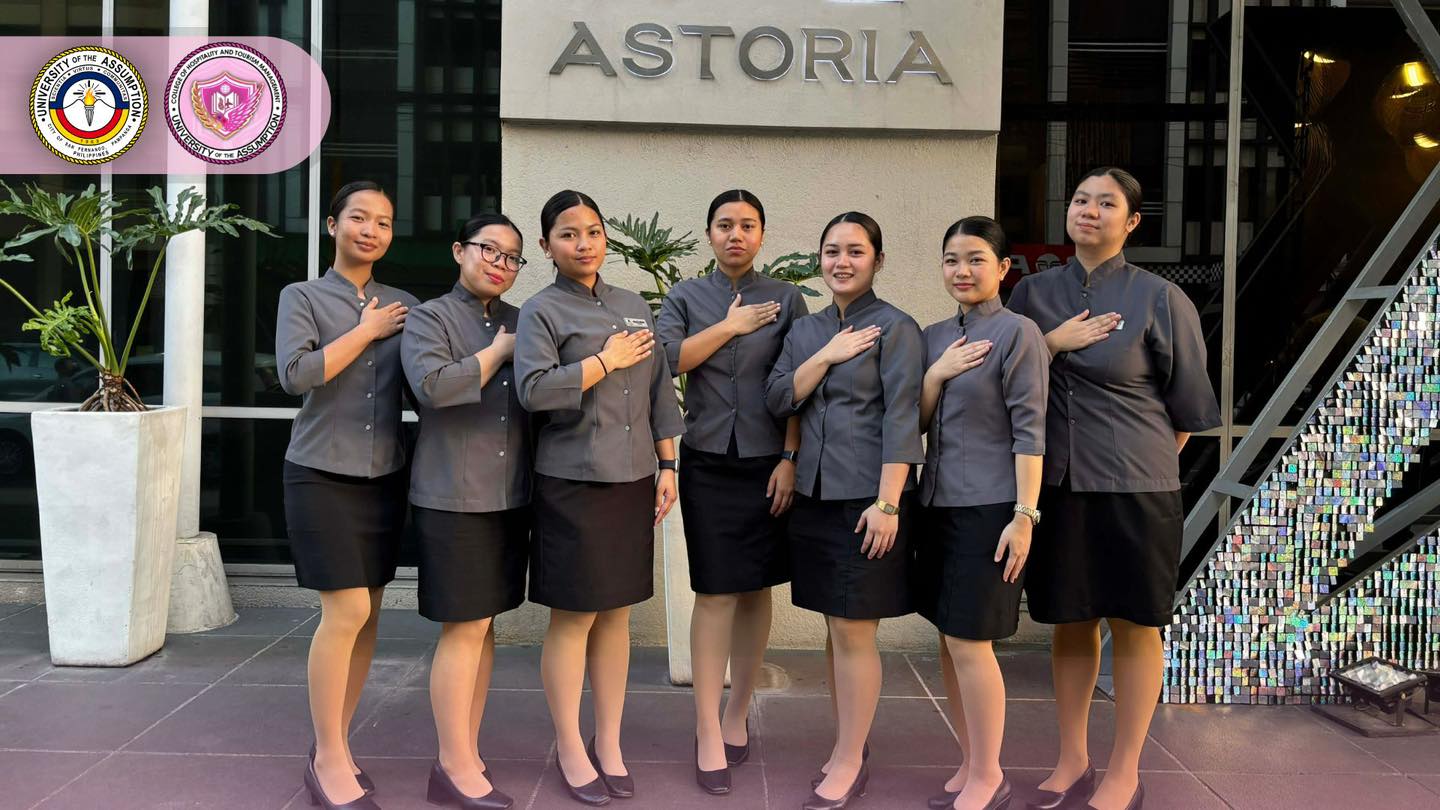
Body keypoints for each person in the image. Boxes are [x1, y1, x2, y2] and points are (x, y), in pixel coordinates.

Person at [1008, 167, 1220, 810]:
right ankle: (1072, 759)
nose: (1089, 211)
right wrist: (1051, 343)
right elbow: (1005, 377)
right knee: (1070, 621)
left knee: (1135, 624)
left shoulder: (1160, 298)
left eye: (1106, 203)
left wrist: (1138, 458)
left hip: (1137, 487)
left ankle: (1125, 769)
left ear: (1131, 223)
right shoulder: (1032, 294)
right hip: (1059, 485)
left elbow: (1188, 410)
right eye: (1080, 200)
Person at [513, 190, 686, 807]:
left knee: (617, 615)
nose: (583, 244)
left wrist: (669, 465)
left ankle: (608, 741)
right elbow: (533, 390)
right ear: (546, 246)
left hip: (633, 480)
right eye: (568, 234)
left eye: (592, 231)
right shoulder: (541, 311)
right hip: (572, 483)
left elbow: (660, 391)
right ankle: (569, 744)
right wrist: (603, 363)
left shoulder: (634, 305)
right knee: (575, 616)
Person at [765, 212, 925, 810]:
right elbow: (779, 397)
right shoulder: (807, 330)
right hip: (814, 496)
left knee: (856, 630)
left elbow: (903, 417)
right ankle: (846, 742)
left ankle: (852, 757)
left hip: (867, 499)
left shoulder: (897, 328)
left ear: (878, 260)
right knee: (835, 629)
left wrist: (888, 502)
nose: (842, 262)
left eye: (856, 251)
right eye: (832, 251)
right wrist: (827, 355)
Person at [656, 189, 807, 795]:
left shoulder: (787, 298)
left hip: (769, 462)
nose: (735, 235)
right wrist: (730, 326)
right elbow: (668, 360)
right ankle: (706, 727)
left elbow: (796, 385)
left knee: (756, 589)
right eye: (724, 225)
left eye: (747, 225)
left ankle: (737, 712)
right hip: (709, 460)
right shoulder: (686, 296)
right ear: (709, 234)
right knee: (715, 592)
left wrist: (791, 457)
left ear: (762, 234)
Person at [277, 180, 417, 809]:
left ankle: (338, 741)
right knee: (346, 611)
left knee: (370, 615)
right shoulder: (302, 296)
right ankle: (327, 755)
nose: (371, 230)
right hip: (320, 472)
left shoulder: (407, 306)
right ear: (332, 225)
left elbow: (423, 386)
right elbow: (296, 374)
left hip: (384, 476)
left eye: (383, 222)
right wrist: (365, 331)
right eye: (359, 218)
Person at [401, 213, 533, 810]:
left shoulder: (524, 319)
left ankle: (466, 751)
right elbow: (432, 387)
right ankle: (452, 766)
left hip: (510, 494)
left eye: (511, 257)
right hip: (453, 495)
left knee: (486, 627)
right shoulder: (429, 317)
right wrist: (498, 352)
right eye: (488, 250)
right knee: (465, 628)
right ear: (459, 251)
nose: (499, 264)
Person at [915, 217, 1048, 810]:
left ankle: (990, 776)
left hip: (991, 508)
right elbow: (915, 423)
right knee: (949, 640)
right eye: (951, 260)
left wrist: (1025, 515)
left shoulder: (1019, 333)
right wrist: (935, 375)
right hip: (936, 503)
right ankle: (970, 761)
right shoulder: (933, 336)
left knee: (971, 642)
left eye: (975, 260)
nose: (962, 271)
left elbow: (1030, 431)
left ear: (1003, 269)